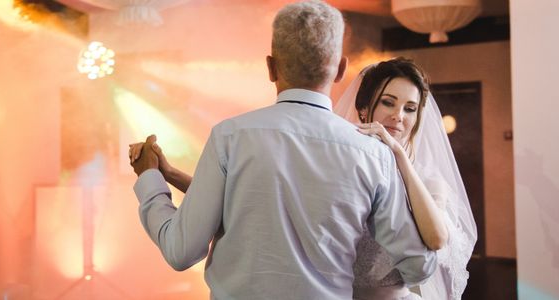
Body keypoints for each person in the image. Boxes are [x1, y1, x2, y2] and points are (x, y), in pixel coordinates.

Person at [130, 1, 436, 299]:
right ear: (341, 69)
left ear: (271, 67)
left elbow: (181, 251)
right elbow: (419, 267)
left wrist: (150, 179)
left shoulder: (230, 137)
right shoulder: (373, 154)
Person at [334, 57, 477, 299]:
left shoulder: (428, 179)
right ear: (363, 109)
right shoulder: (341, 168)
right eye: (388, 103)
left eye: (409, 108)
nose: (399, 116)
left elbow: (437, 238)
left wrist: (399, 155)